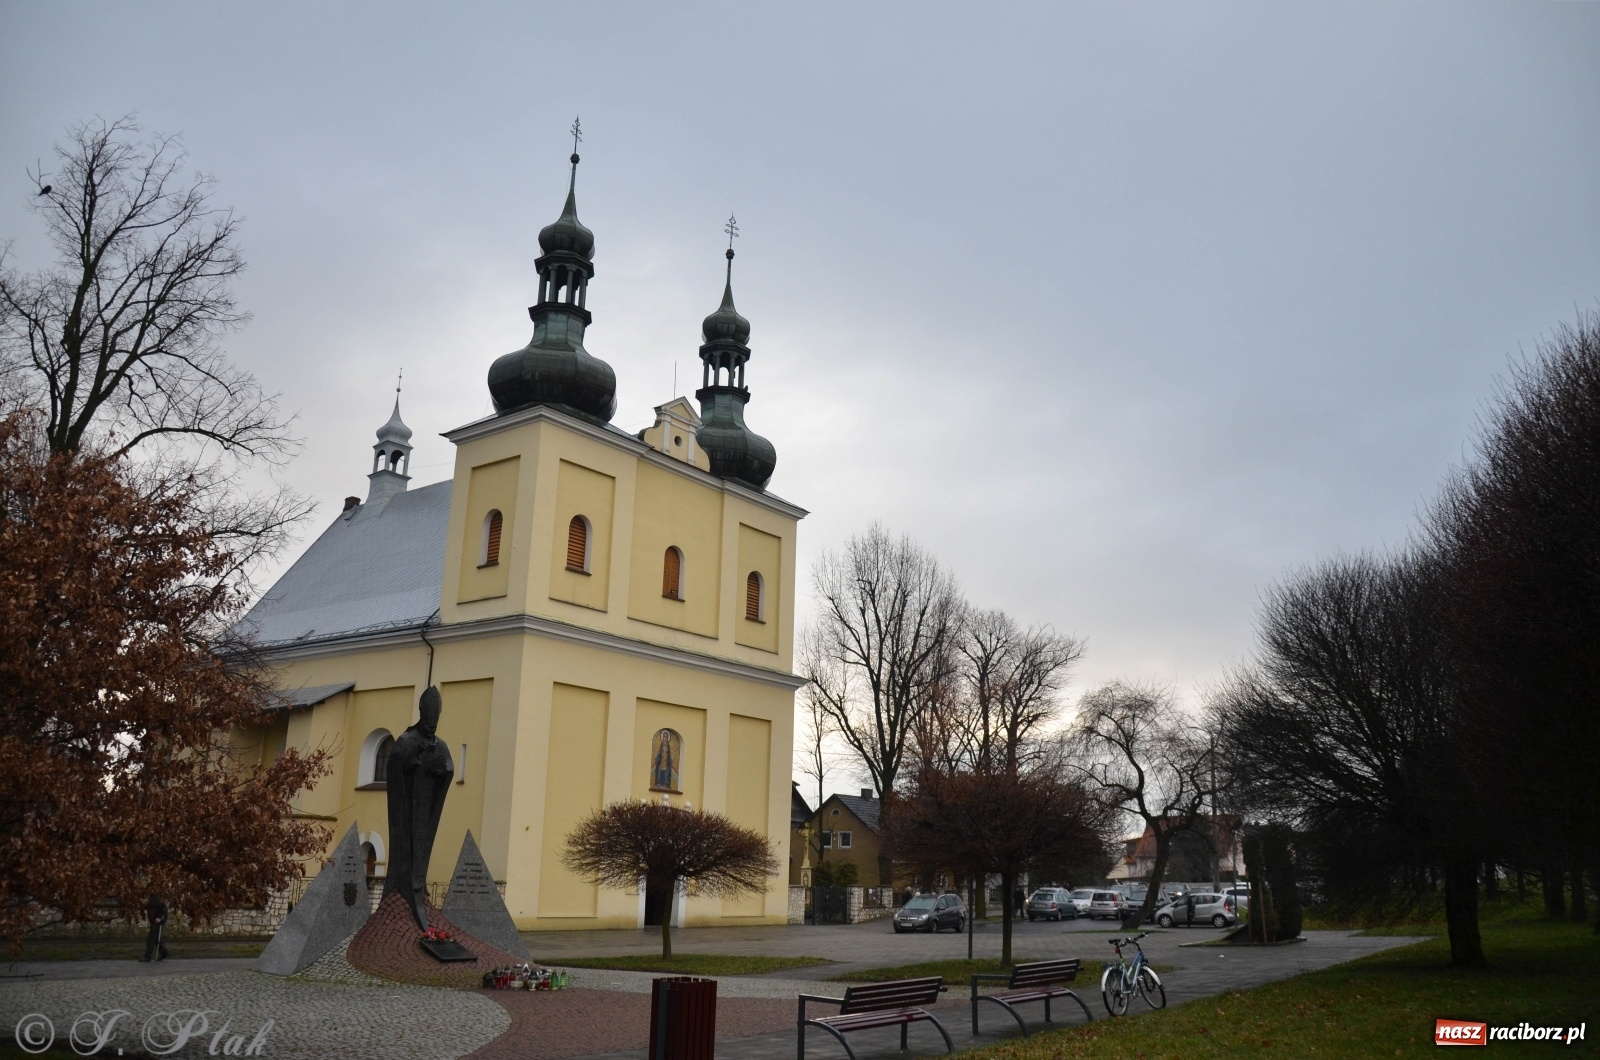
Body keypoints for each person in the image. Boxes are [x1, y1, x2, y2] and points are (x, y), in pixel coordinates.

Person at [383, 686, 454, 930]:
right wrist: (414, 759)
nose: (432, 727)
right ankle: (404, 889)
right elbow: (394, 768)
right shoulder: (406, 740)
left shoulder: (440, 745)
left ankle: (417, 888)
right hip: (406, 810)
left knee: (422, 849)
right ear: (422, 714)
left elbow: (449, 769)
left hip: (426, 811)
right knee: (408, 848)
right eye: (429, 721)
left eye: (436, 722)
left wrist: (441, 772)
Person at [140, 895, 169, 962]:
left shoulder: (156, 901)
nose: (143, 900)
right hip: (154, 922)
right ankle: (164, 953)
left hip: (157, 923)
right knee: (156, 939)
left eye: (144, 899)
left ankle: (148, 956)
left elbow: (163, 910)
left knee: (151, 939)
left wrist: (159, 917)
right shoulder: (150, 903)